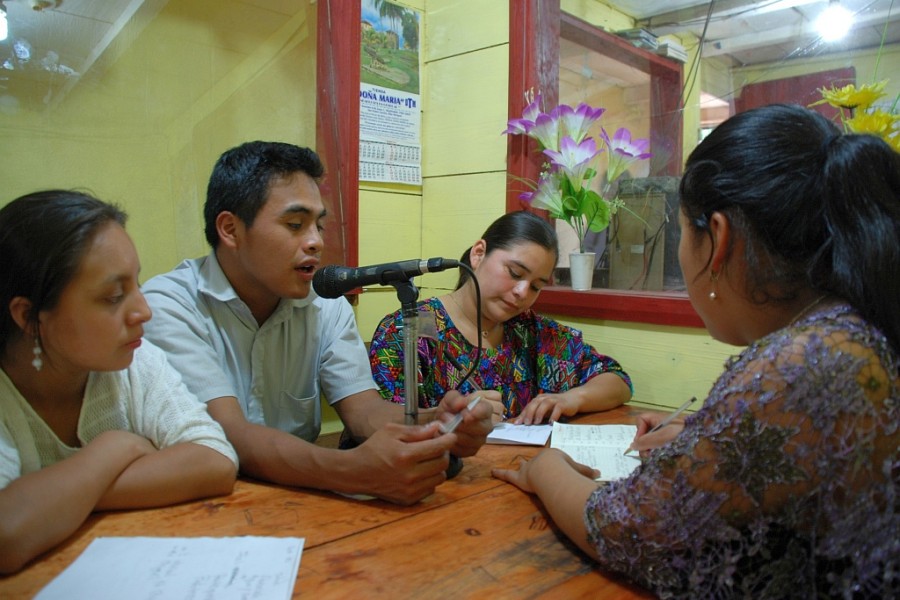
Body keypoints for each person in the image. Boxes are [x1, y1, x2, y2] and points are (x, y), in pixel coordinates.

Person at [492, 104, 900, 597]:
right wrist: (715, 436)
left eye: (682, 232)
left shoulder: (801, 363)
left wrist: (545, 467)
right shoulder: (848, 333)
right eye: (515, 274)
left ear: (718, 240)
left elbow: (628, 530)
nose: (522, 294)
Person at [141, 141, 493, 506]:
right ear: (230, 229)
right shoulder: (170, 306)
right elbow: (229, 433)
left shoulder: (326, 306)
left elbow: (364, 413)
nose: (315, 242)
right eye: (295, 224)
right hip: (198, 505)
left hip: (299, 499)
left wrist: (437, 423)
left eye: (319, 225)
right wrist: (349, 469)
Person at [0, 191, 238, 574]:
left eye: (136, 285)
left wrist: (63, 499)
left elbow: (215, 460)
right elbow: (6, 535)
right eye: (113, 296)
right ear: (29, 316)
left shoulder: (134, 360)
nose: (143, 311)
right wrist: (113, 449)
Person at [369, 210, 632, 424]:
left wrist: (572, 399)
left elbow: (616, 380)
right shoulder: (415, 327)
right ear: (479, 253)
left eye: (536, 286)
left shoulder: (530, 331)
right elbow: (384, 424)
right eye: (515, 273)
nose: (522, 292)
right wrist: (454, 418)